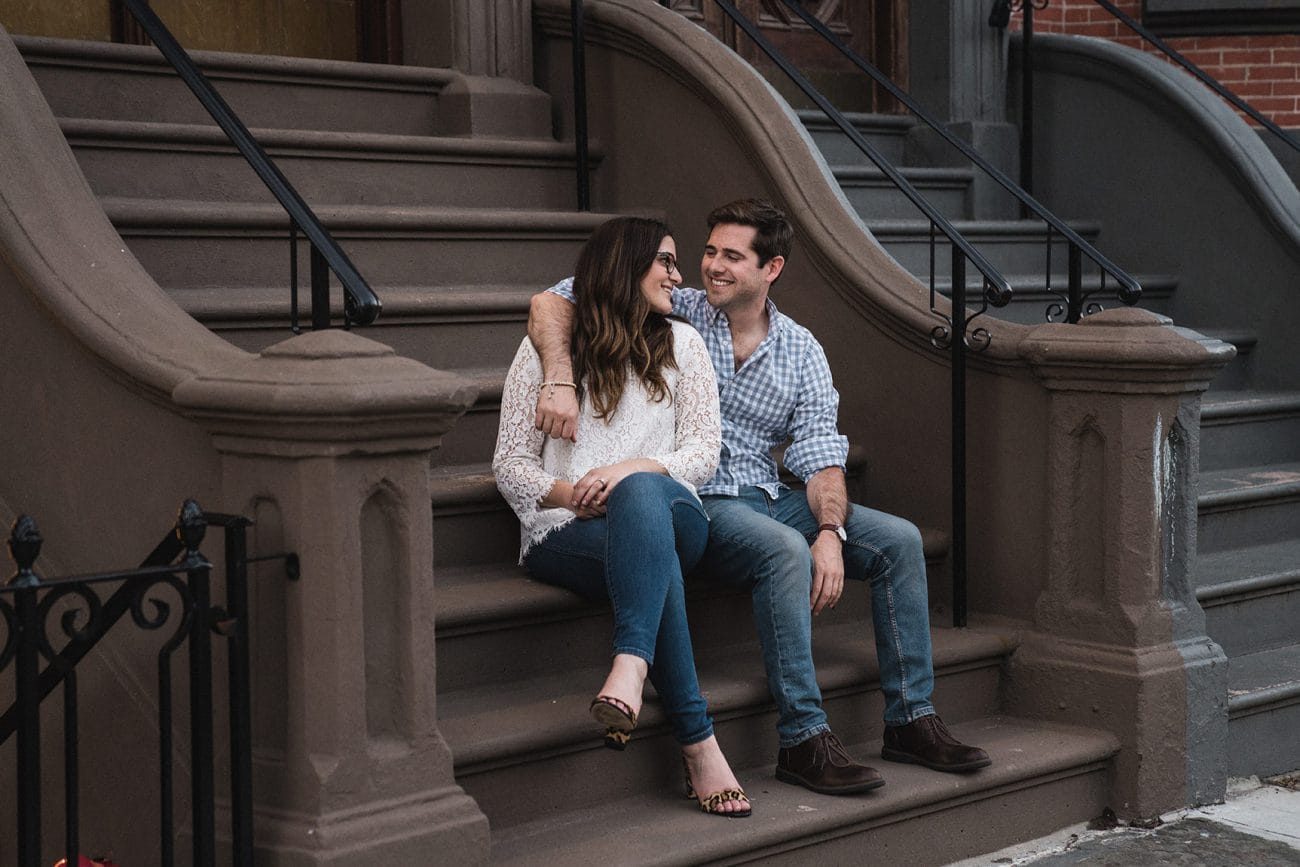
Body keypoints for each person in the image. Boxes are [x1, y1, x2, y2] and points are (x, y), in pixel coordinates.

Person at [528, 199, 991, 797]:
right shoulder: (678, 309)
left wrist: (830, 531)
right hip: (700, 498)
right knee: (781, 551)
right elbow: (552, 301)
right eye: (710, 252)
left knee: (898, 541)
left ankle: (910, 719)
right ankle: (803, 738)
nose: (712, 267)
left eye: (732, 257)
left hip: (772, 494)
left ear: (771, 268)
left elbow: (822, 455)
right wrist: (559, 375)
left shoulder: (801, 350)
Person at [493, 215, 750, 817]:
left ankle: (631, 662)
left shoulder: (682, 344)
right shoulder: (544, 355)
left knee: (641, 495)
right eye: (664, 261)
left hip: (673, 511)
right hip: (566, 535)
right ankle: (697, 742)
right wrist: (571, 493)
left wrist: (631, 469)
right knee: (650, 554)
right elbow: (510, 465)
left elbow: (703, 453)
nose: (678, 275)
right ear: (624, 266)